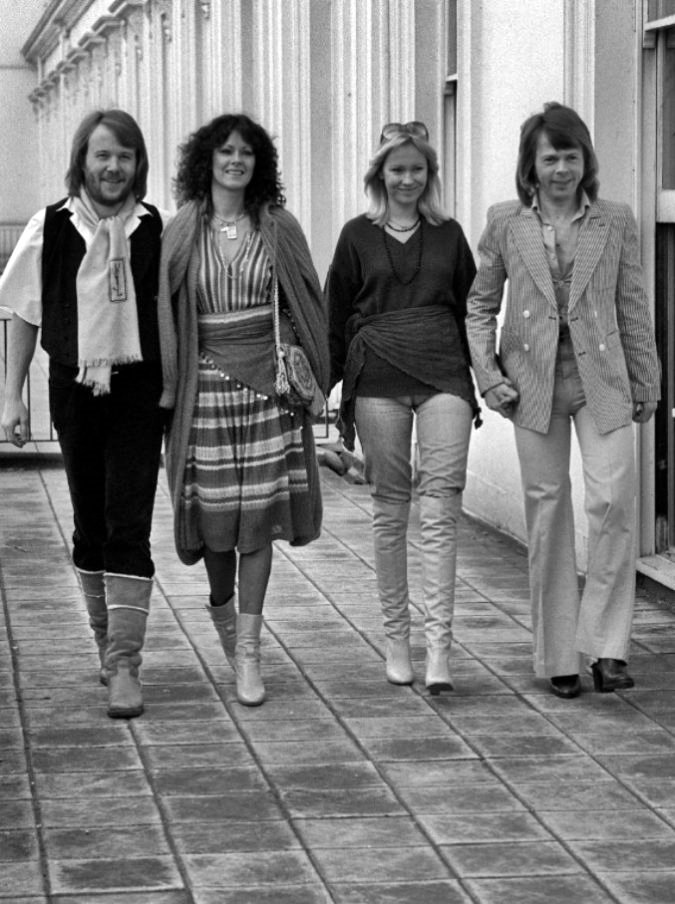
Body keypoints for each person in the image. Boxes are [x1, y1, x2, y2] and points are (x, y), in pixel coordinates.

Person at [466, 102, 661, 698]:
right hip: (532, 383)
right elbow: (479, 305)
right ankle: (557, 656)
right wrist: (489, 375)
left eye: (570, 156)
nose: (561, 169)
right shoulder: (506, 222)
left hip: (604, 379)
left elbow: (633, 305)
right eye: (550, 158)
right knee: (548, 512)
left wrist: (648, 380)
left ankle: (607, 648)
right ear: (531, 165)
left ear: (585, 160)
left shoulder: (615, 220)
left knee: (614, 503)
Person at [0, 109, 167, 719]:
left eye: (124, 155)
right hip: (74, 390)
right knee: (89, 525)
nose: (113, 167)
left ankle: (125, 663)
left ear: (137, 163)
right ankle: (104, 641)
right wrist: (11, 396)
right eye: (103, 155)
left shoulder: (157, 228)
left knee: (129, 523)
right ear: (83, 161)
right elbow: (24, 310)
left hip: (139, 393)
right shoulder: (50, 226)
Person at [157, 113, 329, 706]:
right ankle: (225, 618)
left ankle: (250, 651)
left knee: (258, 522)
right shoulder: (182, 229)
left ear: (260, 164)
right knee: (215, 527)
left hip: (266, 393)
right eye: (225, 151)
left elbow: (306, 301)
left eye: (247, 152)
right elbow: (165, 315)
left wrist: (302, 361)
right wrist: (167, 390)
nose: (236, 160)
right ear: (205, 160)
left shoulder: (279, 225)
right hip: (204, 391)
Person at [325, 121, 479, 693]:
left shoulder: (450, 235)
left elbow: (474, 311)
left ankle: (439, 650)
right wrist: (324, 388)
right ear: (380, 175)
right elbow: (335, 313)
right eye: (397, 170)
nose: (407, 179)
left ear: (429, 174)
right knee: (391, 510)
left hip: (444, 374)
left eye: (417, 169)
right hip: (378, 379)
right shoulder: (355, 236)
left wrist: (487, 377)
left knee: (440, 509)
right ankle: (397, 642)